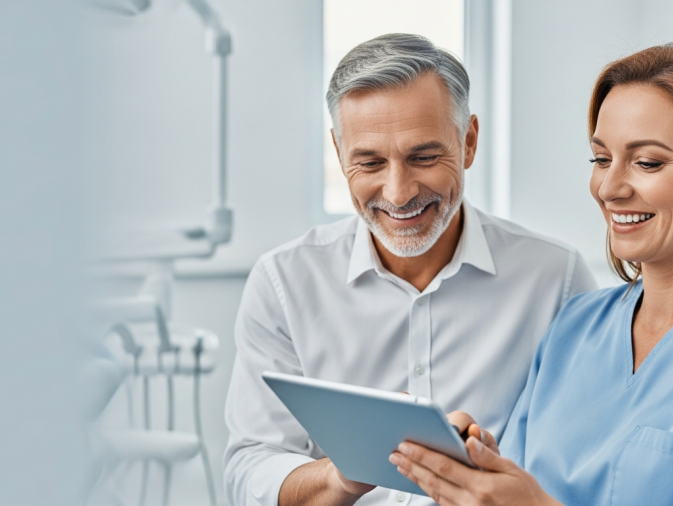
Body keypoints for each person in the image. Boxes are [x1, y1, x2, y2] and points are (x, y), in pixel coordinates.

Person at [390, 41, 673, 505]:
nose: (609, 188)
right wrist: (481, 475)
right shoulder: (575, 326)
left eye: (647, 162)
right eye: (601, 159)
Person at [223, 34, 597, 506]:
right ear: (339, 153)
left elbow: (586, 460)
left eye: (423, 157)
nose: (398, 193)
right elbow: (250, 468)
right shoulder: (284, 281)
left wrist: (499, 475)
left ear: (469, 142)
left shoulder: (556, 279)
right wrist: (343, 475)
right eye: (370, 162)